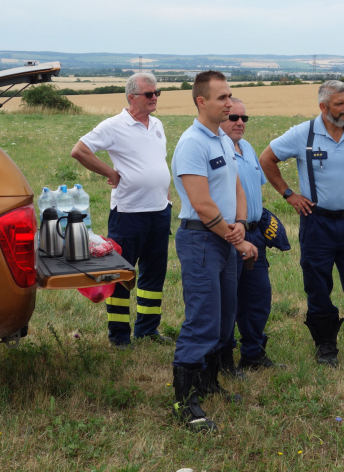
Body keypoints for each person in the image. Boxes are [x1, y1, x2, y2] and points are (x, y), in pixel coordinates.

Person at [259, 80, 344, 371]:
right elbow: (267, 159)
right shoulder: (304, 134)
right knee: (318, 286)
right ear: (323, 107)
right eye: (340, 104)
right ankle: (326, 347)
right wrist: (289, 194)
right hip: (316, 224)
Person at [170, 71, 258, 432]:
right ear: (201, 102)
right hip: (201, 241)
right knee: (202, 320)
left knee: (223, 318)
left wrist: (240, 222)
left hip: (223, 237)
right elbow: (202, 205)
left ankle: (207, 382)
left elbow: (234, 183)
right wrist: (238, 239)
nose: (229, 103)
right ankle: (184, 400)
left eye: (230, 96)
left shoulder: (222, 138)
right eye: (222, 98)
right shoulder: (192, 144)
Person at [71, 72, 172, 347]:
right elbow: (79, 150)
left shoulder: (158, 124)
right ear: (131, 97)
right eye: (148, 94)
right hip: (129, 213)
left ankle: (148, 330)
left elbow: (157, 162)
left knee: (154, 273)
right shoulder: (114, 125)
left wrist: (166, 193)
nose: (154, 98)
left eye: (156, 93)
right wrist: (111, 173)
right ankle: (119, 336)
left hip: (160, 211)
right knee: (121, 273)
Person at [216, 97, 286, 376]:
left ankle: (254, 353)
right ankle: (223, 359)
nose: (240, 123)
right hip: (227, 234)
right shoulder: (215, 150)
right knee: (227, 301)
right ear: (220, 116)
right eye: (234, 118)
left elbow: (254, 188)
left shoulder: (246, 147)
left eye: (245, 118)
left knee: (258, 296)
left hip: (254, 235)